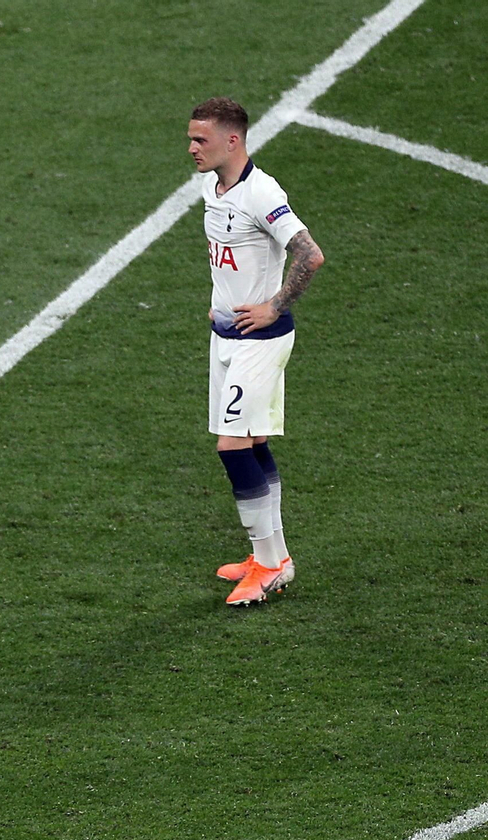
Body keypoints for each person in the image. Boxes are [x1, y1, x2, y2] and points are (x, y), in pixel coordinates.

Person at [188, 97, 326, 606]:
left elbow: (310, 255)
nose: (192, 148)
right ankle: (274, 557)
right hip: (225, 337)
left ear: (233, 140)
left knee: (232, 446)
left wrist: (273, 306)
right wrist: (220, 304)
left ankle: (267, 566)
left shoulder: (262, 192)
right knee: (255, 441)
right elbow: (229, 259)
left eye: (201, 139)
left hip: (260, 342)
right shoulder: (211, 186)